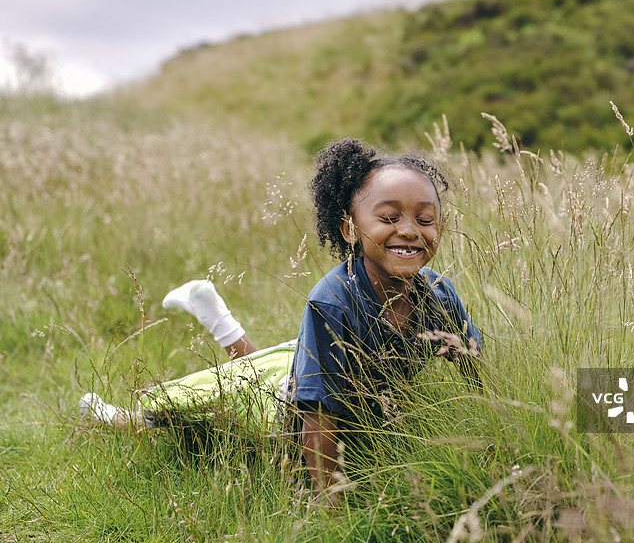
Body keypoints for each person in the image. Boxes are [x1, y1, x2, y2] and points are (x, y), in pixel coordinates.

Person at [81, 138, 483, 500]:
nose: (410, 231)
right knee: (192, 413)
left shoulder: (438, 293)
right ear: (349, 228)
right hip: (282, 416)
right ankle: (112, 416)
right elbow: (318, 418)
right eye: (390, 218)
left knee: (259, 369)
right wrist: (330, 504)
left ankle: (212, 309)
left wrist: (496, 430)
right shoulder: (333, 302)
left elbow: (473, 364)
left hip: (312, 373)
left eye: (425, 220)